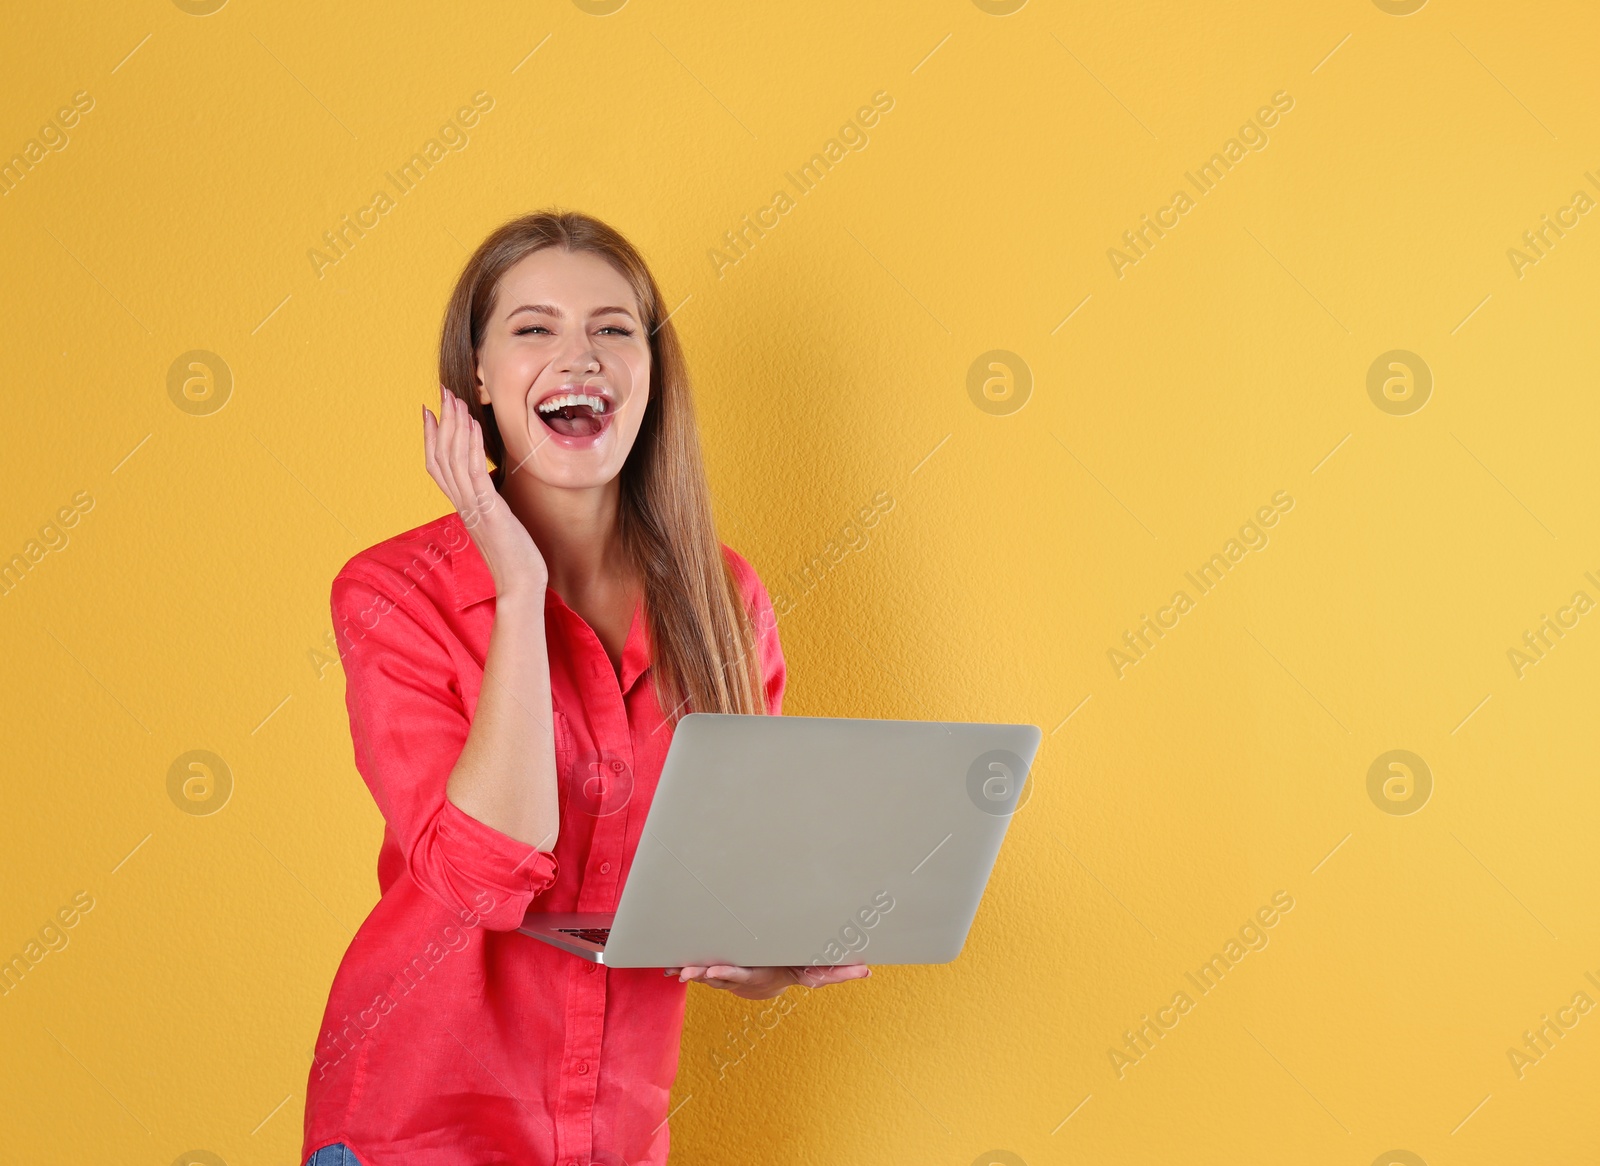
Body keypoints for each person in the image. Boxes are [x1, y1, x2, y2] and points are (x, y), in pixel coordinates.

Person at [301, 210, 869, 1166]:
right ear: (477, 377)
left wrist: (774, 956)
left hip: (613, 1132)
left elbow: (728, 882)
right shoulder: (392, 594)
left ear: (650, 373)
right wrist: (519, 589)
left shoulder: (725, 599)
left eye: (613, 328)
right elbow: (482, 876)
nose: (581, 355)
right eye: (533, 328)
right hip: (418, 1126)